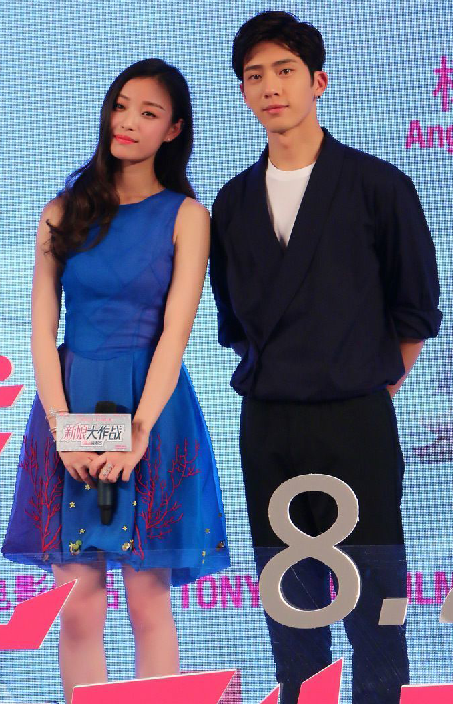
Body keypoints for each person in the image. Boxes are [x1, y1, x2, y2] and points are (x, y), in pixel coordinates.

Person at [209, 11, 441, 704]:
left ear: (319, 81)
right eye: (255, 75)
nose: (270, 87)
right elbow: (233, 323)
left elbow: (415, 310)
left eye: (285, 71)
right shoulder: (232, 203)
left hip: (355, 420)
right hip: (268, 425)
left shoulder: (377, 185)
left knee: (376, 605)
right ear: (242, 91)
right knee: (291, 611)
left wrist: (366, 386)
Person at [2, 58, 229, 703]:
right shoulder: (63, 212)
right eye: (121, 106)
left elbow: (175, 335)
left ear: (173, 130)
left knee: (146, 599)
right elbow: (41, 333)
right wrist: (63, 431)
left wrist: (138, 432)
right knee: (77, 603)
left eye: (148, 113)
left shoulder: (187, 216)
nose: (127, 122)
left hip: (149, 405)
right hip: (74, 399)